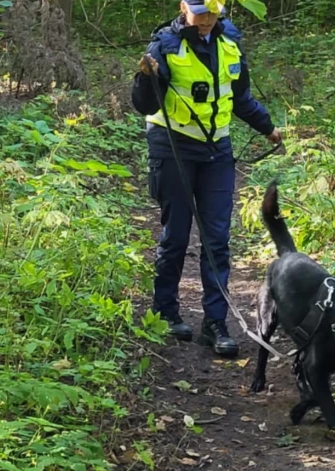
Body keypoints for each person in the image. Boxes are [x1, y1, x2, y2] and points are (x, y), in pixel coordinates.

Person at [131, 0, 282, 357]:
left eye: (212, 14)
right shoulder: (164, 45)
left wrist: (268, 128)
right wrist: (144, 78)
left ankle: (215, 323)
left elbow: (239, 97)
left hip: (217, 151)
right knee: (176, 234)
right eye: (199, 14)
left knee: (217, 239)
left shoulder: (230, 41)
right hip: (173, 148)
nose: (206, 21)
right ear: (184, 7)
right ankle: (165, 311)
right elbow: (145, 106)